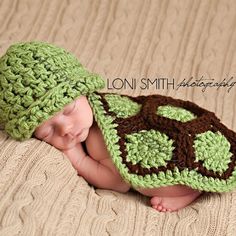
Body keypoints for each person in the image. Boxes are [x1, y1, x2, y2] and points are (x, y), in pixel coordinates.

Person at [3, 41, 235, 213]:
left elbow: (119, 182)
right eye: (48, 131)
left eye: (69, 109)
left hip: (188, 149)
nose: (65, 129)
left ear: (84, 91)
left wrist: (78, 160)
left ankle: (188, 190)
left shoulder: (98, 139)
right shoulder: (92, 116)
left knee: (147, 181)